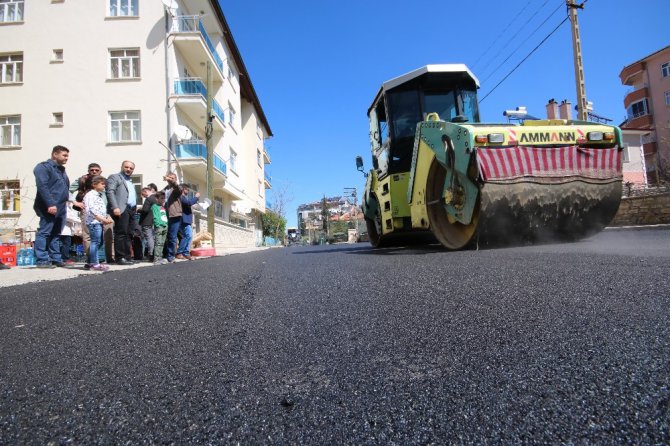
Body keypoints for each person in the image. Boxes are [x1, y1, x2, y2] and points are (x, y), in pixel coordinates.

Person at [33, 145, 71, 268]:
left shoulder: (61, 170)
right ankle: (42, 260)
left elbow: (64, 189)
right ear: (55, 154)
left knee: (56, 234)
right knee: (44, 232)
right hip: (50, 207)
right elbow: (42, 186)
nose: (67, 158)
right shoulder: (43, 167)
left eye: (67, 155)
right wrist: (50, 204)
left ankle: (55, 258)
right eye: (64, 155)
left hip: (61, 207)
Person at [70, 163, 114, 263]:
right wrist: (76, 202)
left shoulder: (103, 181)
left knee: (108, 236)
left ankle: (109, 258)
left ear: (100, 171)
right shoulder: (83, 180)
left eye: (96, 170)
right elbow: (68, 191)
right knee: (89, 236)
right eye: (92, 170)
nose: (94, 171)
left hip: (105, 213)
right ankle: (92, 259)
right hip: (89, 214)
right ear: (88, 171)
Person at [106, 161, 137, 265]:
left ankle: (127, 256)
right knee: (121, 233)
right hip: (121, 209)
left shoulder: (130, 180)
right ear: (122, 167)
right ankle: (120, 257)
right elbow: (110, 191)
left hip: (131, 210)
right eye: (126, 167)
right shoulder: (115, 177)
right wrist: (115, 207)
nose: (128, 169)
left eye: (131, 168)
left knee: (129, 234)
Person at [83, 176, 113, 271]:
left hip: (98, 221)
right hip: (94, 222)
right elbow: (91, 210)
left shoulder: (98, 194)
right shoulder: (91, 195)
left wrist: (104, 218)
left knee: (98, 242)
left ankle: (93, 261)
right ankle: (94, 263)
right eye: (102, 184)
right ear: (94, 184)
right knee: (95, 242)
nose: (104, 186)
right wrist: (102, 219)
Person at [176, 184, 200, 260]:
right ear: (183, 189)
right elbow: (189, 203)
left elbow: (189, 203)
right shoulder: (181, 197)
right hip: (183, 220)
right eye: (187, 189)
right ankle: (181, 252)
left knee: (188, 236)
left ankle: (185, 253)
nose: (188, 190)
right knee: (187, 236)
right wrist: (196, 197)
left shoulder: (184, 198)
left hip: (186, 220)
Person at [163, 173, 183, 263]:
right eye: (169, 177)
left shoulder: (177, 188)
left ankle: (171, 255)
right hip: (165, 215)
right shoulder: (165, 189)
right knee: (166, 235)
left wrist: (173, 181)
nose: (170, 179)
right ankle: (166, 253)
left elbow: (178, 188)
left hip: (175, 214)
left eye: (172, 178)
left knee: (172, 236)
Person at [138, 186, 157, 262]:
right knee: (154, 238)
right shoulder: (156, 198)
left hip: (147, 221)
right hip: (155, 221)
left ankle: (151, 254)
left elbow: (145, 210)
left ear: (146, 191)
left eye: (143, 194)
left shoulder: (149, 199)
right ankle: (156, 254)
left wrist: (139, 210)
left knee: (149, 238)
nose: (143, 196)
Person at [59, 202, 81, 266]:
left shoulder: (68, 206)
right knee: (66, 244)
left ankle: (64, 258)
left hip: (66, 229)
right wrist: (79, 220)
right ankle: (65, 258)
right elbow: (68, 217)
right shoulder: (64, 206)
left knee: (66, 244)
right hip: (64, 229)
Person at [151, 191, 168, 265]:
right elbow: (155, 217)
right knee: (158, 243)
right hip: (159, 227)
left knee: (162, 243)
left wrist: (166, 224)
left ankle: (160, 257)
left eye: (164, 198)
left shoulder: (163, 207)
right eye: (161, 198)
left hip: (165, 226)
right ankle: (156, 258)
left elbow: (164, 216)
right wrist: (158, 225)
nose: (163, 200)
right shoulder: (155, 206)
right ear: (157, 199)